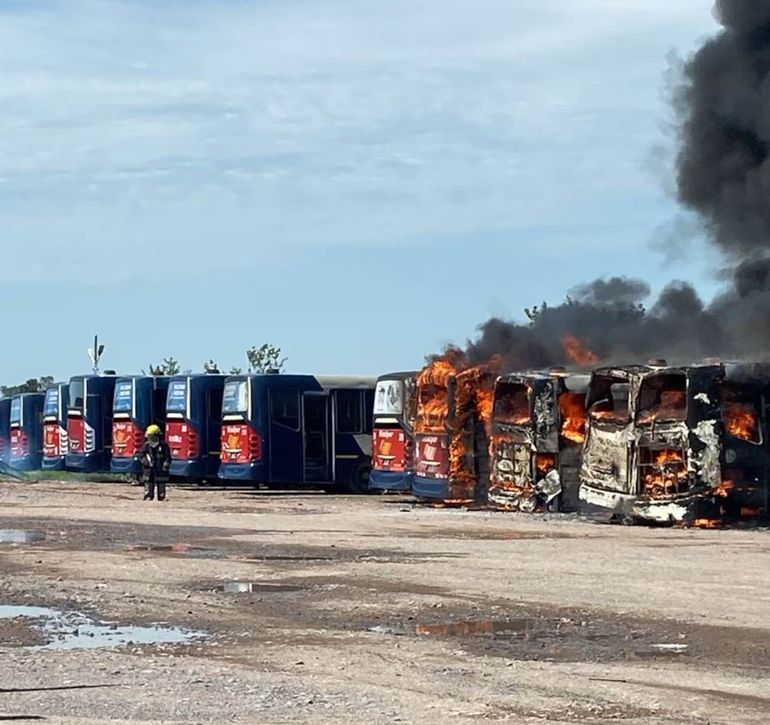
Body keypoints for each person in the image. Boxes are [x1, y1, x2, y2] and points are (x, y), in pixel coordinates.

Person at [138, 424, 171, 501]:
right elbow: (141, 455)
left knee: (161, 481)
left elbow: (168, 457)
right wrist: (146, 462)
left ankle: (161, 496)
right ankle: (148, 496)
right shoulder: (146, 445)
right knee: (148, 481)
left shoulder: (164, 445)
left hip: (160, 468)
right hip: (149, 468)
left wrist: (166, 465)